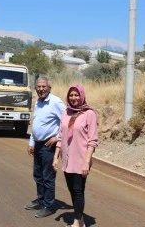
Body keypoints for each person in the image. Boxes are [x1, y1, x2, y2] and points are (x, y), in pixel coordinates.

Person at [53, 84, 98, 227]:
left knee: (78, 190)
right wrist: (55, 157)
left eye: (76, 95)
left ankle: (77, 222)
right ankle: (81, 219)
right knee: (72, 190)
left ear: (82, 95)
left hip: (81, 159)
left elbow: (92, 141)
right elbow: (60, 136)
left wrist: (87, 162)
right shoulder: (66, 112)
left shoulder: (89, 114)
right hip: (67, 159)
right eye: (71, 95)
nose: (74, 98)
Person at [25, 76, 66, 218]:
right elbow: (36, 123)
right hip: (38, 144)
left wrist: (58, 138)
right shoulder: (38, 102)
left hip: (49, 146)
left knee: (48, 177)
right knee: (38, 175)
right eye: (38, 86)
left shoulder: (56, 102)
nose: (41, 89)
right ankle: (41, 200)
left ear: (49, 88)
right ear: (35, 88)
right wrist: (32, 142)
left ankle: (48, 205)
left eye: (44, 86)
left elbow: (68, 122)